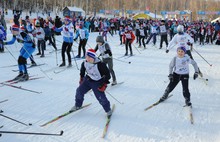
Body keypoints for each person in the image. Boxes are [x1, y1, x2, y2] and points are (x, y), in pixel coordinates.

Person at [69, 49, 112, 118]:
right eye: (86, 56)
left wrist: (104, 84)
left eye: (89, 57)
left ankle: (108, 110)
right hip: (88, 80)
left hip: (97, 82)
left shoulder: (101, 65)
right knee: (79, 91)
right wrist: (81, 78)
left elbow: (108, 75)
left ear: (93, 57)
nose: (87, 58)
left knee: (100, 97)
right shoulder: (85, 63)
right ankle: (78, 105)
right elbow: (82, 70)